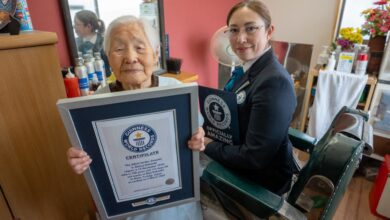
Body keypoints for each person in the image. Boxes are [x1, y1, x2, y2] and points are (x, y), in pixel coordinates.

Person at [67, 15, 204, 220]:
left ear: (156, 53)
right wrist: (80, 159)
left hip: (177, 208)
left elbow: (197, 135)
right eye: (119, 49)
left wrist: (198, 139)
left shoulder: (179, 94)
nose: (130, 57)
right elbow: (92, 158)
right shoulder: (94, 105)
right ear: (107, 56)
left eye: (140, 48)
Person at [191, 0, 297, 196]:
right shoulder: (246, 70)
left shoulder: (274, 82)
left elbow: (255, 157)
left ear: (269, 31)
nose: (240, 39)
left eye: (250, 29)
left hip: (259, 184)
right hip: (236, 154)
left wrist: (209, 144)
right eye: (233, 30)